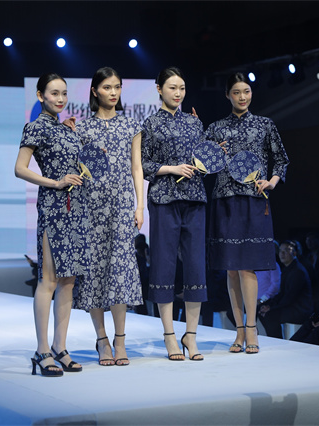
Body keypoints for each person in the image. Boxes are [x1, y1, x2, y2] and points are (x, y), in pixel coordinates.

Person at [205, 72, 289, 353]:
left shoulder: (265, 125)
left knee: (248, 266)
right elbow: (201, 163)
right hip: (225, 200)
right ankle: (239, 331)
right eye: (236, 92)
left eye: (247, 91)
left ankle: (252, 329)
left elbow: (282, 160)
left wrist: (272, 182)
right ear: (227, 95)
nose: (242, 97)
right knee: (231, 268)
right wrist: (213, 152)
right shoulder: (216, 128)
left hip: (254, 200)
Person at [14, 73, 89, 377]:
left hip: (76, 209)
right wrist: (55, 182)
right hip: (53, 207)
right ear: (40, 95)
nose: (60, 99)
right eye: (54, 93)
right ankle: (42, 350)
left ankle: (60, 346)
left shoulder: (67, 129)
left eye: (64, 93)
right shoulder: (35, 127)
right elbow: (20, 169)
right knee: (48, 280)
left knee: (68, 281)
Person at [72, 67, 145, 366]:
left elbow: (137, 167)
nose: (113, 92)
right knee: (94, 272)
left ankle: (120, 339)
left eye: (117, 87)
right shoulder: (83, 129)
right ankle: (102, 340)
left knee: (120, 271)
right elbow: (78, 170)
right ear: (94, 91)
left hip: (122, 206)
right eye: (107, 87)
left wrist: (140, 206)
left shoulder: (131, 125)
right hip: (91, 207)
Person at [141, 67, 207, 361]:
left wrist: (212, 156)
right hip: (164, 200)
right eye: (172, 87)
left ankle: (190, 336)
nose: (178, 93)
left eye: (181, 88)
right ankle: (169, 335)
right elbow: (142, 164)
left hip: (194, 199)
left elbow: (203, 161)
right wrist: (171, 169)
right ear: (159, 89)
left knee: (196, 267)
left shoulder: (195, 122)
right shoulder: (150, 123)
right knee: (163, 267)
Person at [258, 241, 312, 338]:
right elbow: (282, 293)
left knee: (270, 315)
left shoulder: (298, 271)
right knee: (263, 311)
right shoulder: (287, 269)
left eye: (286, 251)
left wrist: (271, 308)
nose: (282, 254)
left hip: (299, 309)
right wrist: (269, 305)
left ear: (294, 253)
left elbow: (290, 297)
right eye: (280, 251)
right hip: (291, 305)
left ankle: (276, 342)